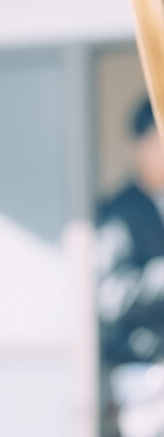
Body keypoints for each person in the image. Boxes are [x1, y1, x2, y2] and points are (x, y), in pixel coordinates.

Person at [98, 98, 164, 437]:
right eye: (159, 140)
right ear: (136, 147)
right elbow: (110, 296)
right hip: (141, 375)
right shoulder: (119, 212)